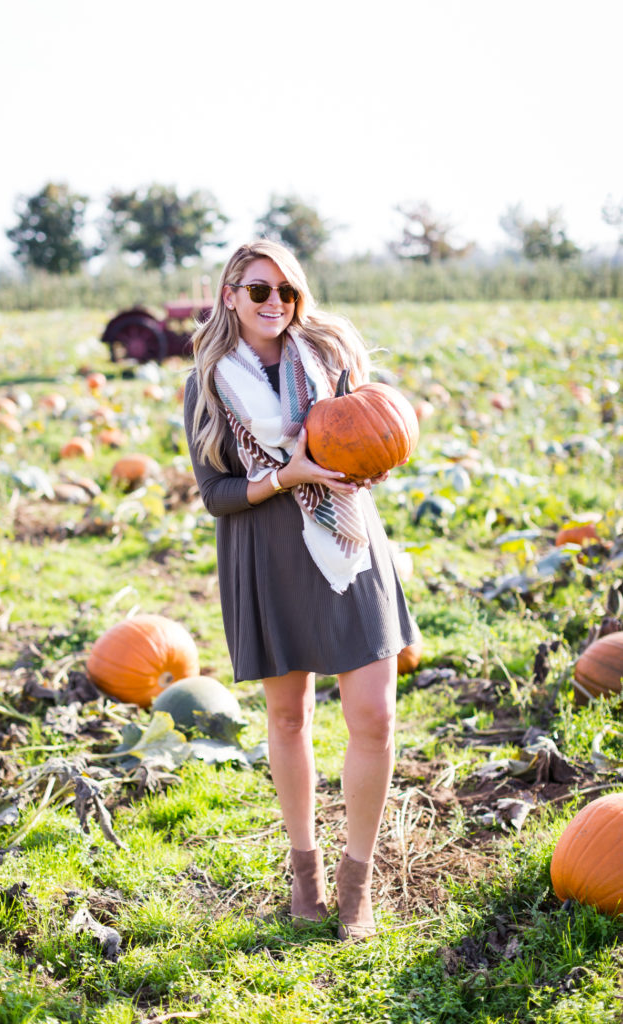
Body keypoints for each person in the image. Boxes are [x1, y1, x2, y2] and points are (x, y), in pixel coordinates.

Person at [183, 240, 416, 941]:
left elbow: (366, 431)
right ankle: (304, 872)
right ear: (230, 296)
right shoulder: (208, 382)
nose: (274, 303)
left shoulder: (330, 355)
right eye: (259, 290)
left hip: (347, 542)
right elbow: (216, 494)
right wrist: (289, 475)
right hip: (267, 551)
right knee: (288, 719)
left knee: (374, 717)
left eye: (286, 291)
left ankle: (356, 882)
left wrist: (371, 462)